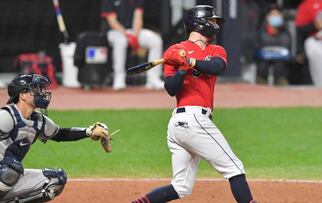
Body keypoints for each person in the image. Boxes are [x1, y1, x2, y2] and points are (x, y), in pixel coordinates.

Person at [132, 5, 256, 203]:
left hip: (186, 125)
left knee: (181, 187)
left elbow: (217, 67)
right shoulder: (174, 51)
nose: (216, 25)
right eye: (213, 21)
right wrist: (181, 69)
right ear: (200, 23)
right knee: (234, 168)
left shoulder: (216, 50)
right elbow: (171, 89)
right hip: (190, 121)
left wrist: (190, 61)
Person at [0, 74, 111, 202]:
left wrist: (88, 131)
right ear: (22, 95)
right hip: (5, 174)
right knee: (10, 170)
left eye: (41, 89)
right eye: (36, 89)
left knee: (55, 180)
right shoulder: (6, 116)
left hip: (8, 178)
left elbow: (60, 134)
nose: (41, 93)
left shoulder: (39, 121)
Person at [101, 0, 164, 90]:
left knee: (156, 40)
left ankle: (153, 78)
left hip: (134, 31)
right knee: (121, 41)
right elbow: (112, 21)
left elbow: (138, 17)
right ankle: (119, 78)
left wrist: (134, 36)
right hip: (116, 32)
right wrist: (127, 35)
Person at [257, 5, 292, 85]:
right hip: (262, 74)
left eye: (277, 15)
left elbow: (287, 54)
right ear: (267, 17)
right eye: (273, 15)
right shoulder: (260, 33)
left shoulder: (286, 34)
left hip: (281, 74)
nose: (275, 17)